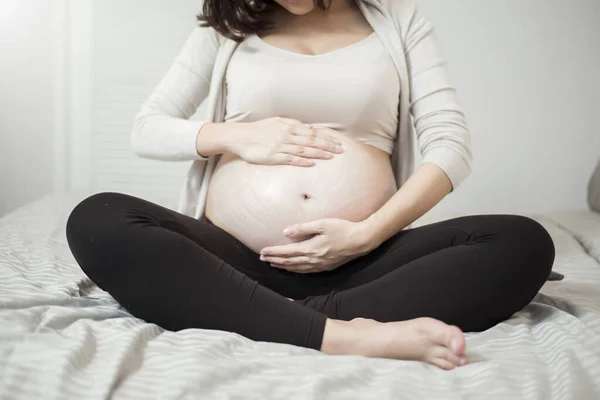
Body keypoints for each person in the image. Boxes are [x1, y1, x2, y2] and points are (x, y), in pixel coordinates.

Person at [66, 0, 555, 370]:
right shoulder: (228, 27)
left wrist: (368, 234)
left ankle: (263, 312)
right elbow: (146, 127)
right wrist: (240, 135)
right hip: (234, 258)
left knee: (523, 242)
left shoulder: (398, 17)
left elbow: (451, 144)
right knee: (98, 218)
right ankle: (343, 334)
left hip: (361, 260)